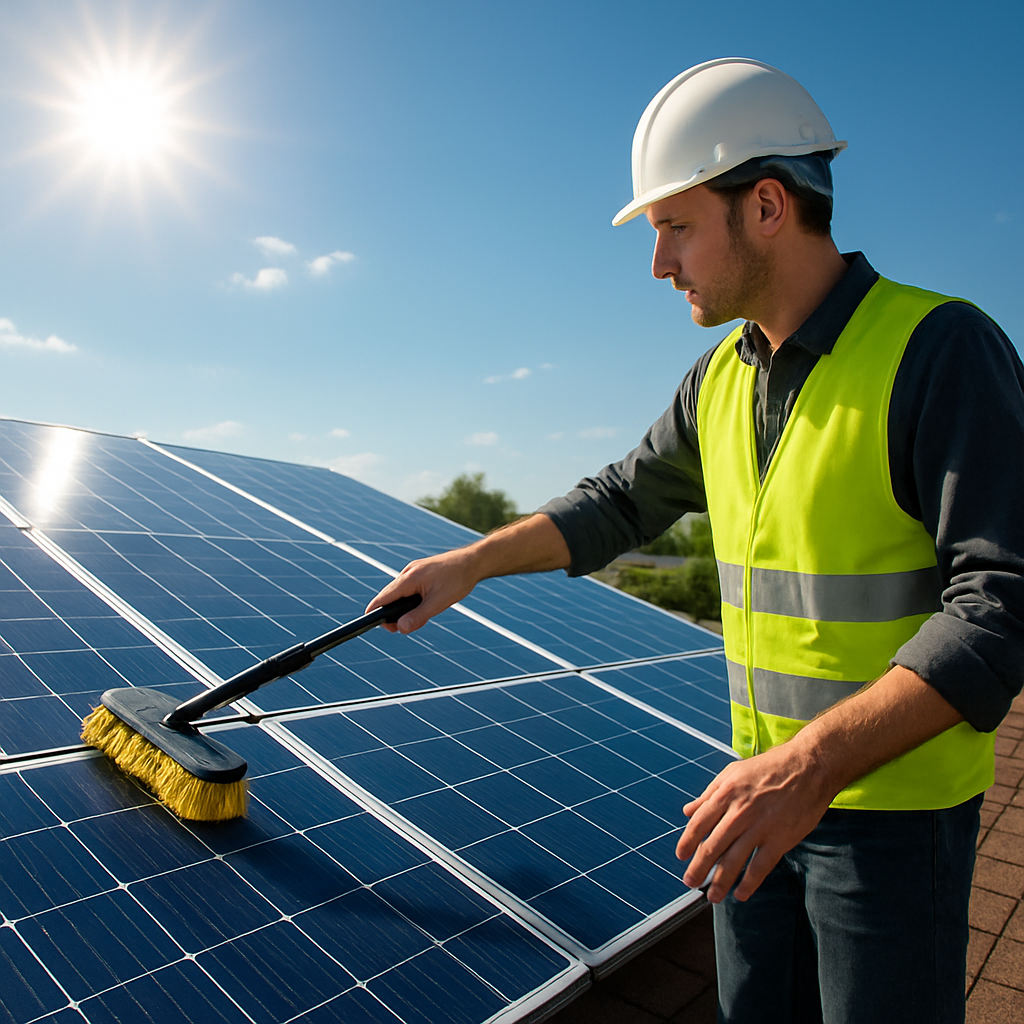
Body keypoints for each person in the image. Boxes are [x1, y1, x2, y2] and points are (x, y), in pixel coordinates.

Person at [367, 58, 1024, 1023]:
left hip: (888, 819)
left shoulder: (939, 349)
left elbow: (1000, 605)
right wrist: (471, 562)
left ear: (766, 205)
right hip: (754, 800)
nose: (658, 261)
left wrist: (810, 768)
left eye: (675, 227)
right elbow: (618, 502)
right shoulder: (717, 379)